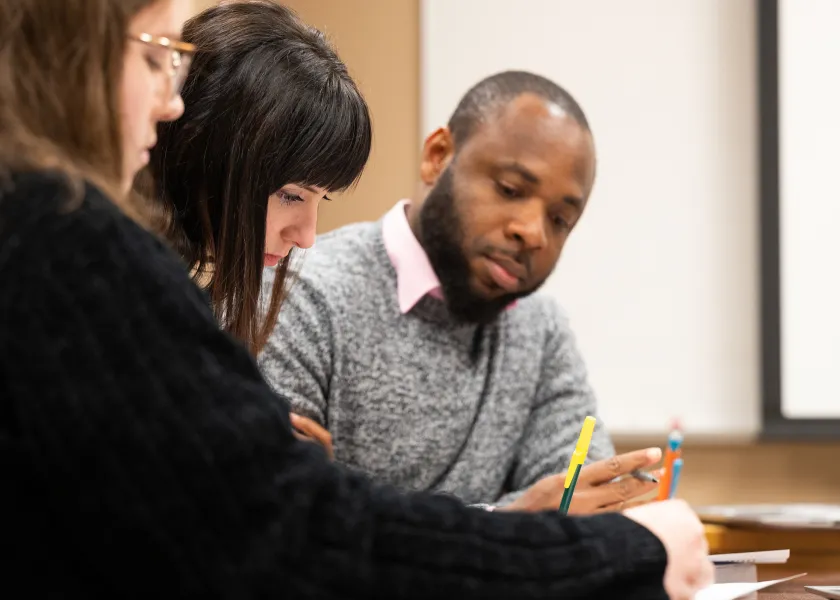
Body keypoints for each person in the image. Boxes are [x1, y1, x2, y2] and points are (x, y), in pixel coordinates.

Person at [0, 0, 713, 597]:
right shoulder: (95, 253)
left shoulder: (542, 329)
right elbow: (299, 534)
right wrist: (558, 538)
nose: (170, 100)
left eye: (562, 218)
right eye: (154, 59)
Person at [259, 70, 661, 512]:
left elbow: (582, 508)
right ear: (437, 156)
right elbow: (289, 526)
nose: (533, 234)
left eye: (560, 221)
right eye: (510, 190)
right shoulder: (293, 295)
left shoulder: (541, 331)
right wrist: (513, 524)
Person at [145, 0, 371, 356]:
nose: (306, 237)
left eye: (322, 198)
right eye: (291, 195)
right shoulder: (122, 286)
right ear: (210, 150)